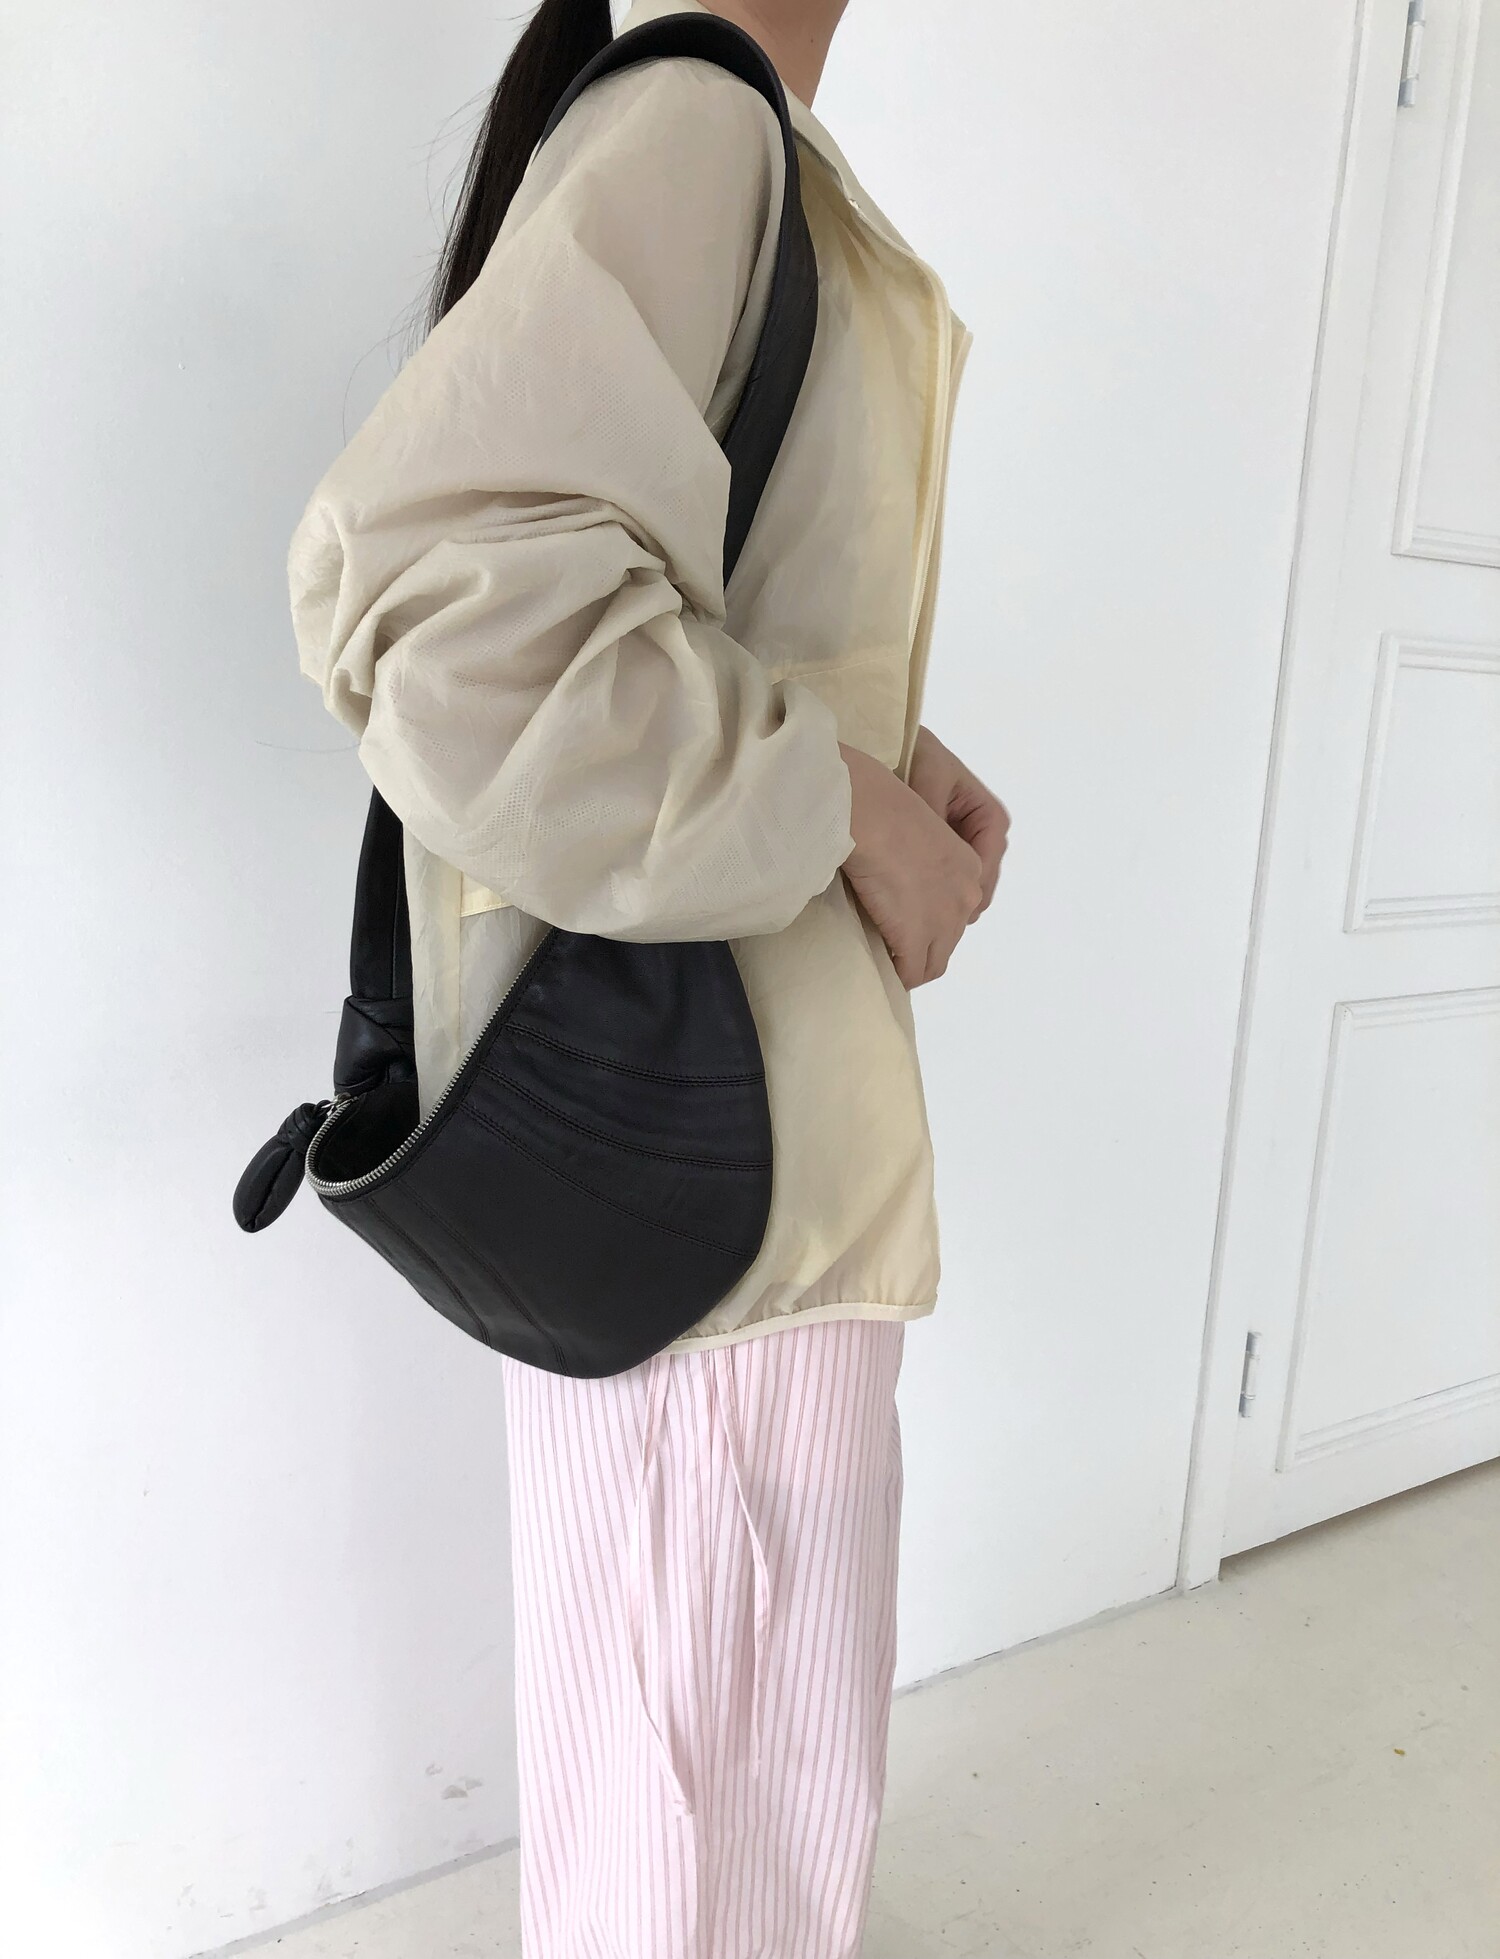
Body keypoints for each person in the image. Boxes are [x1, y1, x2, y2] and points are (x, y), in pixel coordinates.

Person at [289, 0, 1009, 1950]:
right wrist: (839, 809)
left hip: (744, 1159)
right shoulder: (697, 122)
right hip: (721, 1183)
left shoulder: (736, 137)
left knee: (739, 1801)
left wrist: (883, 762)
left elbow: (678, 614)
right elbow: (443, 618)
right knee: (703, 1842)